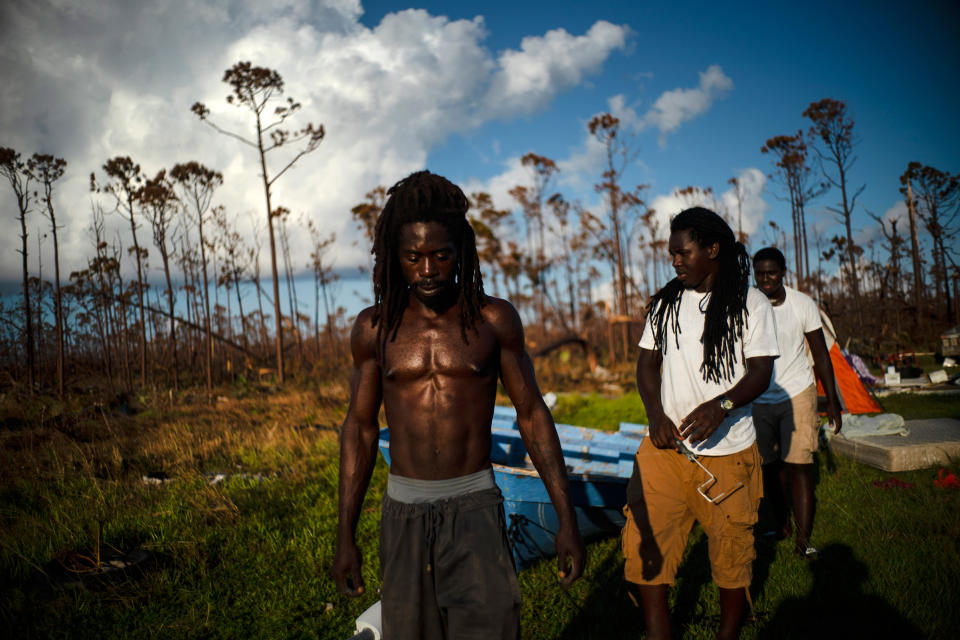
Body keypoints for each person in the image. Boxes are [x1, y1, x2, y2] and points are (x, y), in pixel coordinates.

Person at [331, 170, 585, 640]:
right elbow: (361, 429)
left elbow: (532, 416)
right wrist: (344, 534)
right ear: (396, 256)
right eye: (413, 257)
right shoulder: (375, 329)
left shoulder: (493, 320)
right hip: (403, 511)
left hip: (474, 506)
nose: (427, 270)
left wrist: (566, 518)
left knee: (490, 630)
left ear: (460, 252)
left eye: (440, 255)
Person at [626, 207, 778, 640]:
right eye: (671, 253)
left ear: (712, 249)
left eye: (683, 252)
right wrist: (656, 415)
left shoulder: (751, 302)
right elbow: (646, 365)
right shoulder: (666, 302)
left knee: (732, 556)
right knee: (645, 546)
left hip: (729, 460)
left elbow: (761, 370)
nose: (674, 261)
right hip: (665, 454)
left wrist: (722, 405)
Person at [752, 247, 842, 558]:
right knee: (769, 467)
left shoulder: (802, 304)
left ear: (783, 272)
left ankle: (803, 540)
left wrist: (831, 401)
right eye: (760, 273)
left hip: (798, 393)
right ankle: (781, 525)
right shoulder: (747, 306)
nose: (765, 279)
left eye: (771, 273)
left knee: (800, 466)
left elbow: (821, 356)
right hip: (759, 399)